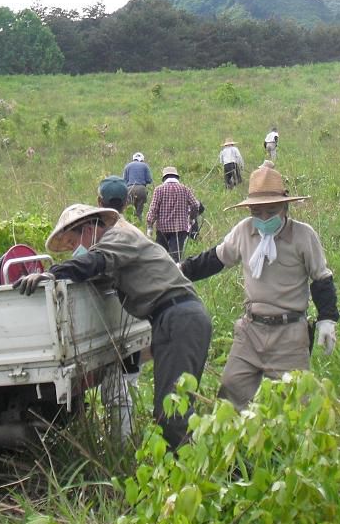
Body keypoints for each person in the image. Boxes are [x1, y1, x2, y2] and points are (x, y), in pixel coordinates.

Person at [16, 203, 212, 448]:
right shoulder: (119, 248)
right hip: (171, 319)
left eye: (73, 243)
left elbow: (95, 262)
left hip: (179, 318)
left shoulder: (119, 236)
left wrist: (53, 274)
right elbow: (97, 273)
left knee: (171, 414)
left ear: (88, 229)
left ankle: (190, 477)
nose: (77, 250)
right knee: (169, 408)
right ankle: (186, 473)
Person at [179, 161, 339, 410]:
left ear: (285, 207)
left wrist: (327, 320)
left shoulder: (303, 236)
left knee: (295, 405)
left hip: (290, 334)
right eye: (256, 212)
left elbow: (321, 278)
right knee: (231, 394)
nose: (263, 218)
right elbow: (216, 259)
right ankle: (236, 446)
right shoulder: (245, 231)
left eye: (271, 211)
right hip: (251, 331)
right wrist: (180, 271)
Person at [95, 175, 144, 439]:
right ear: (128, 201)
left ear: (99, 202)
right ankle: (127, 442)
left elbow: (95, 267)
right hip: (132, 317)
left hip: (117, 320)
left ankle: (122, 447)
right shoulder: (133, 230)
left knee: (117, 392)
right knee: (128, 383)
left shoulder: (107, 234)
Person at [146, 167, 201, 262]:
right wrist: (192, 218)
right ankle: (174, 274)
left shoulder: (159, 190)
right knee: (175, 257)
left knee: (160, 256)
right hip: (180, 229)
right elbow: (195, 205)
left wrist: (150, 225)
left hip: (162, 229)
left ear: (164, 178)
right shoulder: (185, 189)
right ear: (177, 177)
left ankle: (161, 274)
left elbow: (153, 209)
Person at [122, 152, 153, 220]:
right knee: (139, 211)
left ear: (133, 159)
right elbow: (149, 180)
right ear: (142, 159)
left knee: (130, 211)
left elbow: (124, 181)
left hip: (130, 189)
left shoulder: (127, 166)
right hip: (141, 189)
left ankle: (129, 225)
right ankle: (139, 224)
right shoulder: (145, 166)